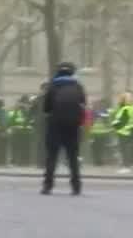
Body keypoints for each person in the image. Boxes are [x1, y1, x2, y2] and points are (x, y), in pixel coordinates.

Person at [41, 62, 87, 196]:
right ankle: (76, 186)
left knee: (52, 157)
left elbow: (46, 108)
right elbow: (83, 103)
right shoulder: (78, 86)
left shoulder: (53, 86)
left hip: (55, 125)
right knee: (72, 157)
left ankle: (48, 186)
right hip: (73, 126)